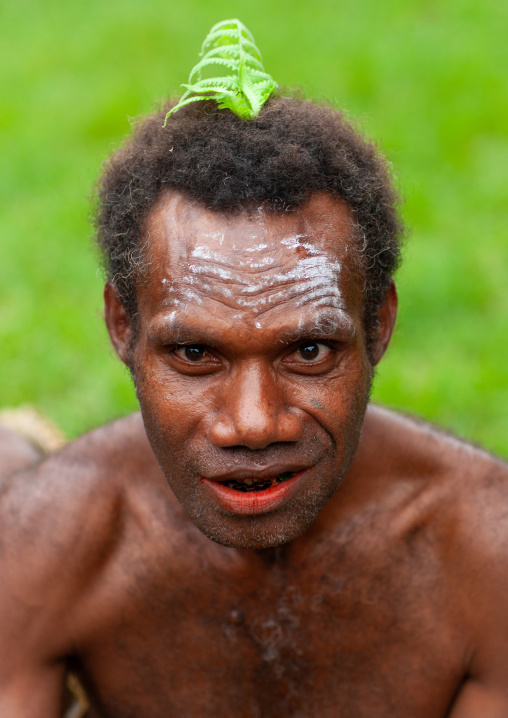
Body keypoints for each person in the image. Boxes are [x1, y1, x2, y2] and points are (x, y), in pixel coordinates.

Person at [1, 91, 508, 718]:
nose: (253, 423)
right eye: (193, 354)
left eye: (310, 350)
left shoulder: (486, 556)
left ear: (378, 326)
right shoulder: (42, 540)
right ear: (121, 326)